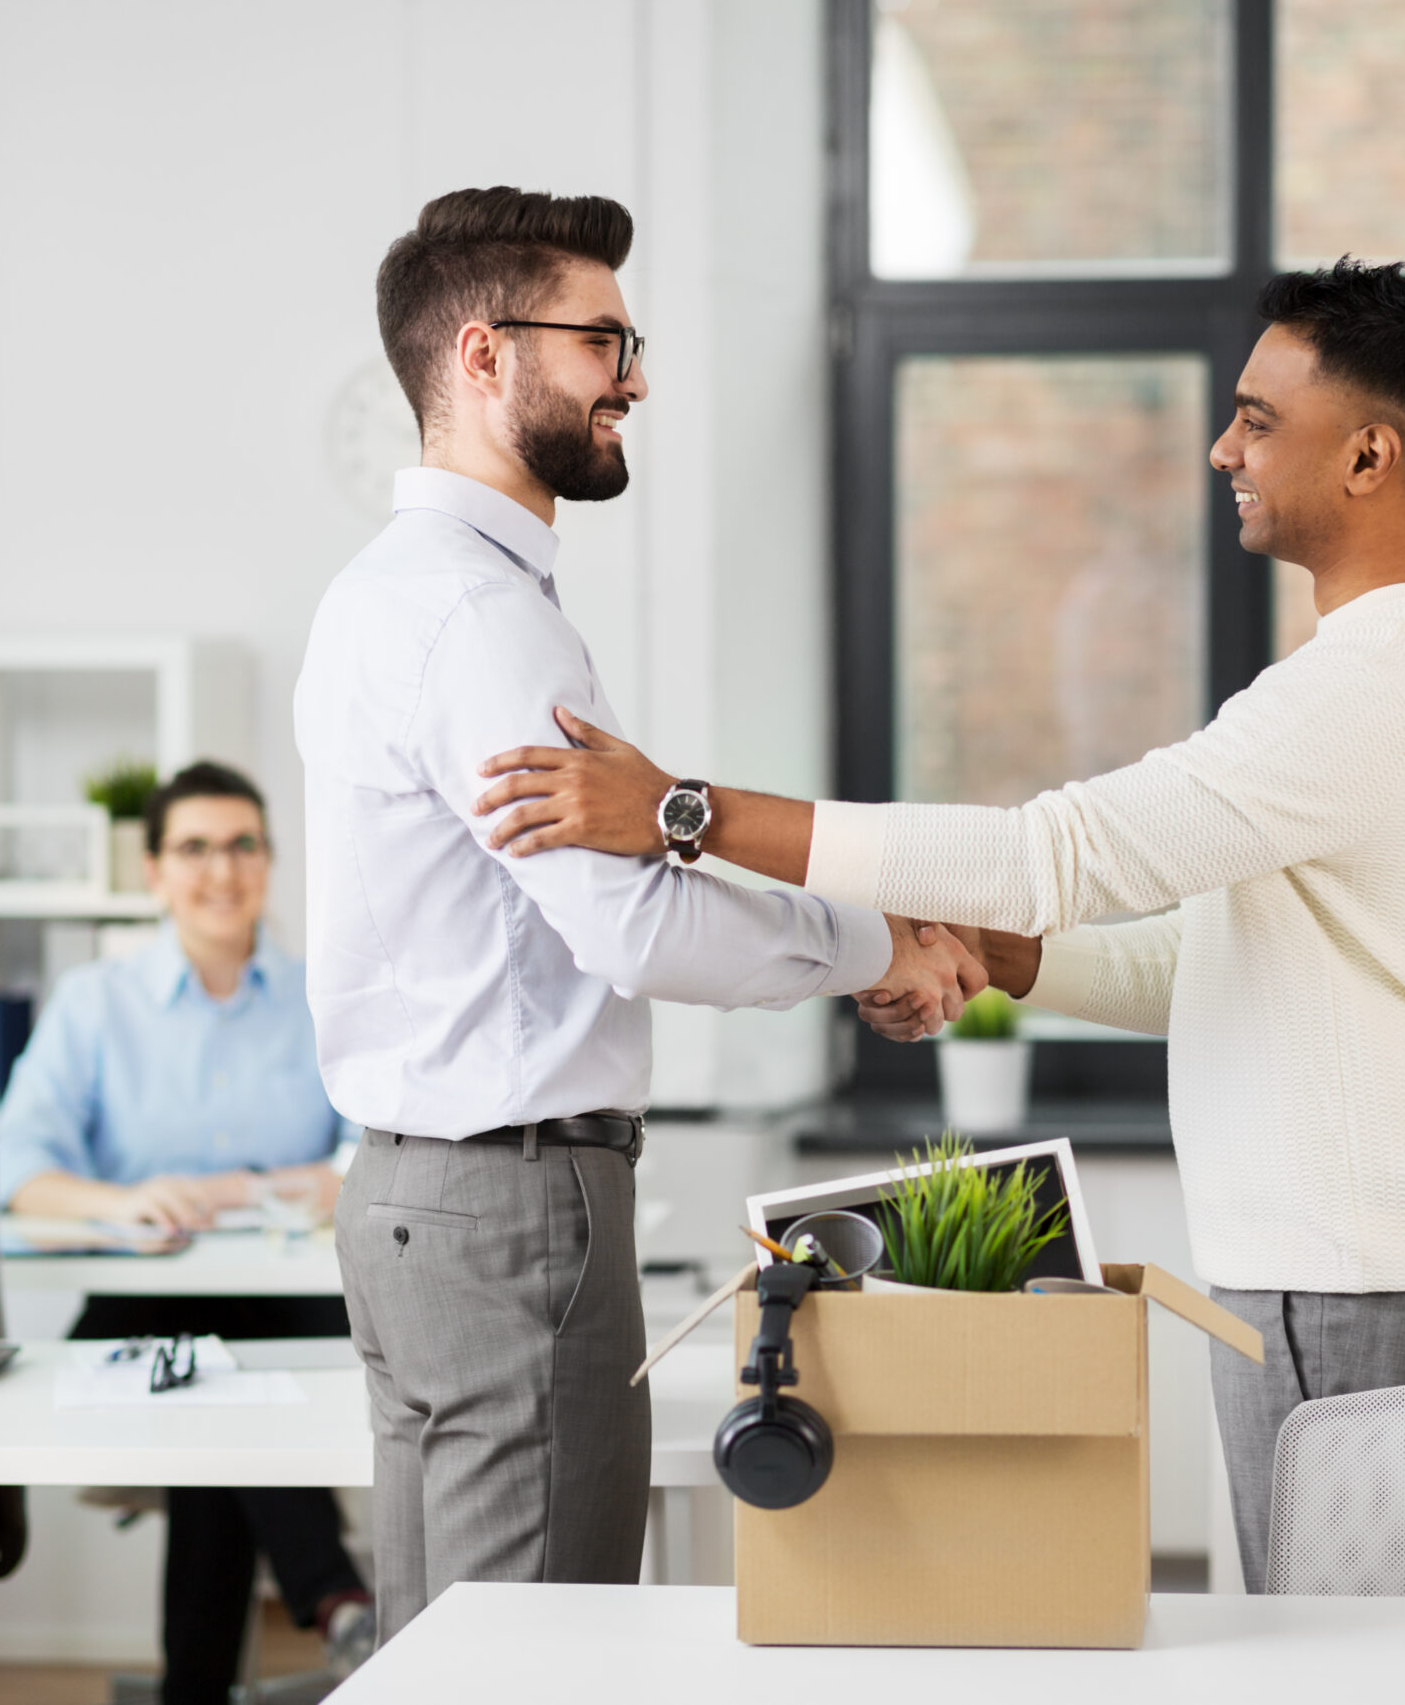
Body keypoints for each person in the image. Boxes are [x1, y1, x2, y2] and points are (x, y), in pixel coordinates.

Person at [470, 257, 1405, 1592]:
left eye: (1259, 418)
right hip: (1365, 1273)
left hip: (1357, 1282)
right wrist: (1005, 958)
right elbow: (1213, 963)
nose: (1224, 448)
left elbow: (1055, 855)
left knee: (1349, 1664)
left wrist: (684, 811)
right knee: (1351, 1649)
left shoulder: (1364, 689)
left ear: (1370, 455)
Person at [296, 186, 979, 1642]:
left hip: (411, 1198)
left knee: (438, 1650)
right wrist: (877, 943)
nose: (636, 379)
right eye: (603, 340)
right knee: (536, 1655)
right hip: (509, 1209)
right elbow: (636, 928)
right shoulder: (483, 620)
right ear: (483, 355)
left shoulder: (380, 593)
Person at [0, 760, 373, 1698]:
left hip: (293, 1312)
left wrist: (312, 1179)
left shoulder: (326, 995)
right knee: (226, 1373)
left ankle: (198, 1689)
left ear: (270, 862)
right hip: (138, 1312)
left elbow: (374, 1147)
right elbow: (17, 1165)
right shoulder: (96, 1001)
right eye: (194, 847)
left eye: (243, 844)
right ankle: (336, 1600)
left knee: (218, 1390)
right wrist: (119, 1201)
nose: (222, 869)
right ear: (154, 870)